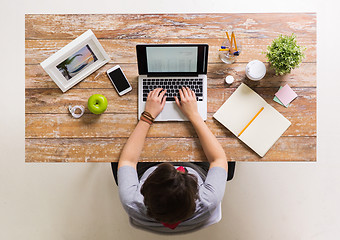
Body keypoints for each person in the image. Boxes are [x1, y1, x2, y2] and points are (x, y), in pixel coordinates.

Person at [115, 87, 228, 233]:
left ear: (144, 191)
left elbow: (128, 161)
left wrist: (148, 115)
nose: (174, 167)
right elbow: (218, 159)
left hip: (149, 167)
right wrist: (194, 114)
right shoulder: (208, 200)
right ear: (195, 194)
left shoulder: (131, 201)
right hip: (196, 167)